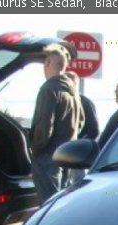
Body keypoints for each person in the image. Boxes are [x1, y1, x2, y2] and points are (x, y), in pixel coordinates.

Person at [29, 49, 84, 202]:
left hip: (48, 156)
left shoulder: (48, 89)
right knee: (60, 205)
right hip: (67, 155)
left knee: (48, 207)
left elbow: (44, 125)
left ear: (48, 63)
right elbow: (80, 123)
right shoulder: (73, 92)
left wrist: (36, 150)